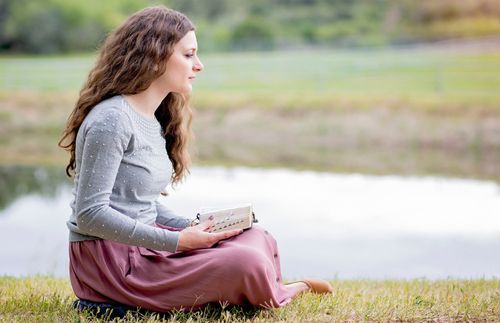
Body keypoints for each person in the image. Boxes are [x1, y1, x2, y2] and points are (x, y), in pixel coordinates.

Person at [59, 5, 332, 313]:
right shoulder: (112, 120)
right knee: (246, 261)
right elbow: (90, 214)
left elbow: (140, 203)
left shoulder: (151, 118)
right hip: (114, 265)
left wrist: (196, 226)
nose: (198, 65)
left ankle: (268, 286)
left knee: (256, 237)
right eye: (188, 55)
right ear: (155, 54)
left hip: (143, 248)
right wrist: (178, 241)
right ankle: (288, 290)